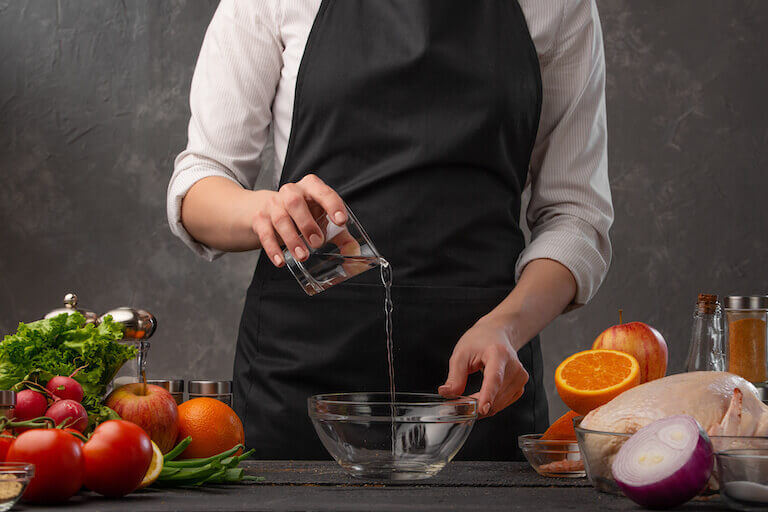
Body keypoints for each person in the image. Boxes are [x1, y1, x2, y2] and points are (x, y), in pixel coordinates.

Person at [167, 0, 613, 460]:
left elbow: (576, 215)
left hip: (479, 387)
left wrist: (507, 325)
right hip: (301, 376)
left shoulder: (559, 6)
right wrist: (264, 210)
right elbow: (200, 183)